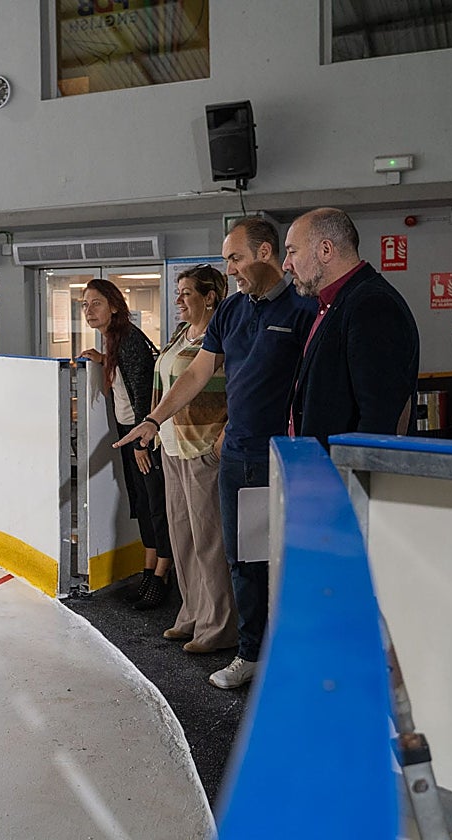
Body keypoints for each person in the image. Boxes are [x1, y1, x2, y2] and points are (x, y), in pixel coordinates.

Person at [115, 218, 316, 689]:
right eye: (226, 259)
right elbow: (195, 375)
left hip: (285, 456)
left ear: (265, 253)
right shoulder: (231, 313)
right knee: (242, 559)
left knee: (284, 558)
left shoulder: (304, 310)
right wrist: (153, 420)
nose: (231, 268)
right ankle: (249, 653)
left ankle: (288, 651)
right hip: (240, 459)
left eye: (235, 258)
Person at [283, 207, 420, 446]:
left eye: (292, 252)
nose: (286, 264)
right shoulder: (333, 304)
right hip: (322, 468)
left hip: (344, 475)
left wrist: (355, 477)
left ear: (325, 250)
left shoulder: (372, 305)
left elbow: (380, 416)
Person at [154, 265, 238, 653]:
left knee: (209, 541)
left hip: (203, 446)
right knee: (183, 538)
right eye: (179, 293)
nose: (179, 301)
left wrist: (225, 433)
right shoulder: (178, 336)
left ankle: (218, 626)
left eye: (186, 293)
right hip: (173, 445)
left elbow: (240, 389)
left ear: (209, 297)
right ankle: (190, 613)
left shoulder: (222, 337)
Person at [79, 278, 174, 610]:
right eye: (85, 305)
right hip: (129, 431)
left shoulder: (129, 341)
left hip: (141, 434)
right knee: (143, 504)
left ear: (114, 306)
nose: (89, 310)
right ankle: (149, 570)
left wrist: (141, 443)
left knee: (155, 505)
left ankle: (162, 575)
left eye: (96, 303)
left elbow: (142, 391)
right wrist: (103, 361)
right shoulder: (114, 341)